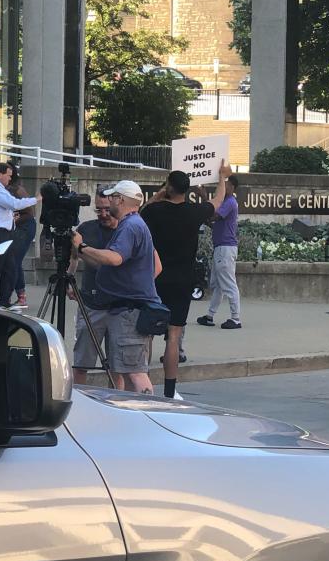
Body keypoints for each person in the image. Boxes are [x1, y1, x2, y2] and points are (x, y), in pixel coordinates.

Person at [142, 167, 227, 398]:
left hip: (156, 277)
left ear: (169, 186)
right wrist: (222, 177)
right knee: (174, 335)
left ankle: (143, 384)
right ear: (187, 190)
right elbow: (218, 201)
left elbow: (141, 211)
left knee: (147, 334)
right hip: (183, 280)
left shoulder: (155, 211)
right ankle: (170, 390)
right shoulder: (193, 212)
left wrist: (160, 193)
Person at [71, 180, 162, 394]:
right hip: (126, 308)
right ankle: (133, 413)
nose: (109, 202)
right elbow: (110, 266)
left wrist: (81, 247)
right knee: (128, 368)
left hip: (129, 310)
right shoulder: (133, 224)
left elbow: (114, 259)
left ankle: (147, 415)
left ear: (120, 199)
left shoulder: (130, 226)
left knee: (135, 371)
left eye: (112, 198)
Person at [68, 187, 117, 385]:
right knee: (81, 363)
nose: (103, 214)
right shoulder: (86, 229)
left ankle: (116, 406)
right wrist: (69, 279)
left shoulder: (126, 229)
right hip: (90, 303)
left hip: (117, 306)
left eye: (107, 209)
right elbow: (74, 258)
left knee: (117, 367)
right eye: (99, 210)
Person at [0, 162, 38, 312]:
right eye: (8, 176)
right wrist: (36, 199)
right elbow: (14, 204)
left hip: (3, 232)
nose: (9, 179)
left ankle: (4, 301)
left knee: (10, 267)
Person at [196, 176, 242, 329]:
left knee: (228, 284)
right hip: (221, 248)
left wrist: (204, 198)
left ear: (232, 187)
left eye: (226, 184)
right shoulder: (226, 203)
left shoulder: (229, 202)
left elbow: (213, 216)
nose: (223, 186)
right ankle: (210, 316)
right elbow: (213, 223)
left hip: (225, 249)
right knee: (218, 286)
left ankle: (235, 319)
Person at [6, 168, 36, 309]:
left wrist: (12, 221)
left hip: (25, 227)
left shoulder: (17, 190)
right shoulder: (4, 189)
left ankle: (20, 296)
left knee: (15, 260)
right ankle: (19, 295)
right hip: (18, 227)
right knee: (13, 260)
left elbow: (30, 213)